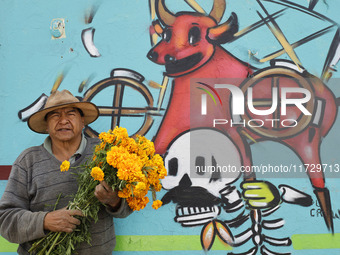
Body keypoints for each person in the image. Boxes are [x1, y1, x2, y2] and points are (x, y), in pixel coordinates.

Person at [0, 90, 133, 254]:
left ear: (83, 121)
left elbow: (128, 207)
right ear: (46, 126)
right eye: (55, 115)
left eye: (71, 114)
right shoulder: (28, 161)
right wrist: (45, 221)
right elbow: (5, 219)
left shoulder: (106, 153)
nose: (63, 121)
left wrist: (115, 201)